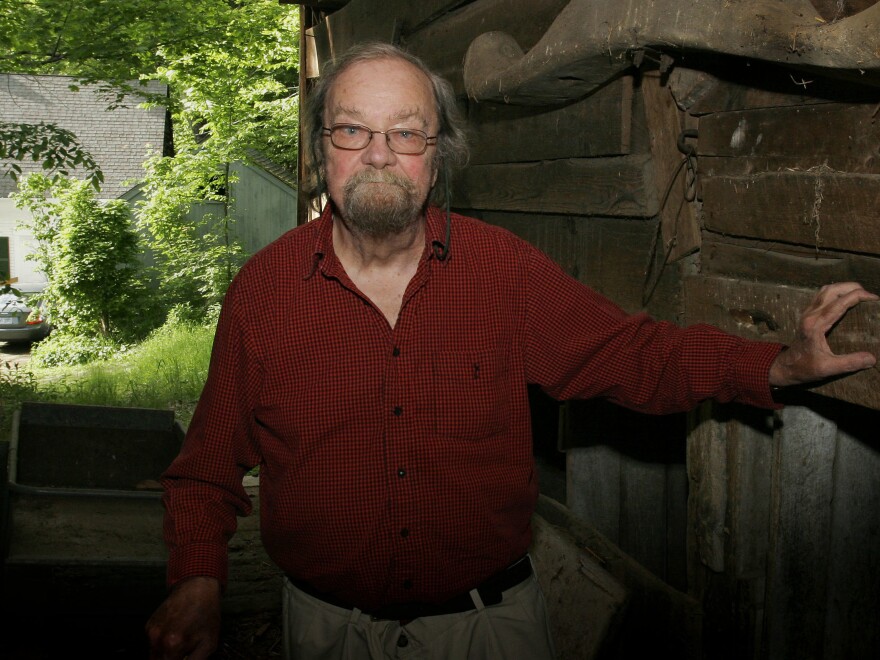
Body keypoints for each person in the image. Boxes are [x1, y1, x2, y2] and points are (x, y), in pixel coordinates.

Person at [146, 42, 877, 660]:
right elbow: (207, 466)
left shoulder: (504, 272)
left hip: (490, 629)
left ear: (438, 156)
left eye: (406, 134)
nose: (378, 155)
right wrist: (197, 580)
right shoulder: (265, 292)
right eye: (351, 131)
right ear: (320, 149)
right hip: (326, 629)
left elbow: (633, 356)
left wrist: (776, 365)